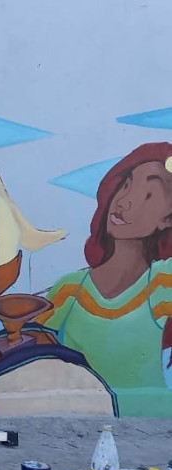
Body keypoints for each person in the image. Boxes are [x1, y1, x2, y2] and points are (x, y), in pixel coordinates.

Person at [38, 142, 172, 416]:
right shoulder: (71, 289)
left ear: (167, 219)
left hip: (150, 432)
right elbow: (19, 353)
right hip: (74, 427)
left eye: (147, 194)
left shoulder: (162, 284)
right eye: (125, 185)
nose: (123, 202)